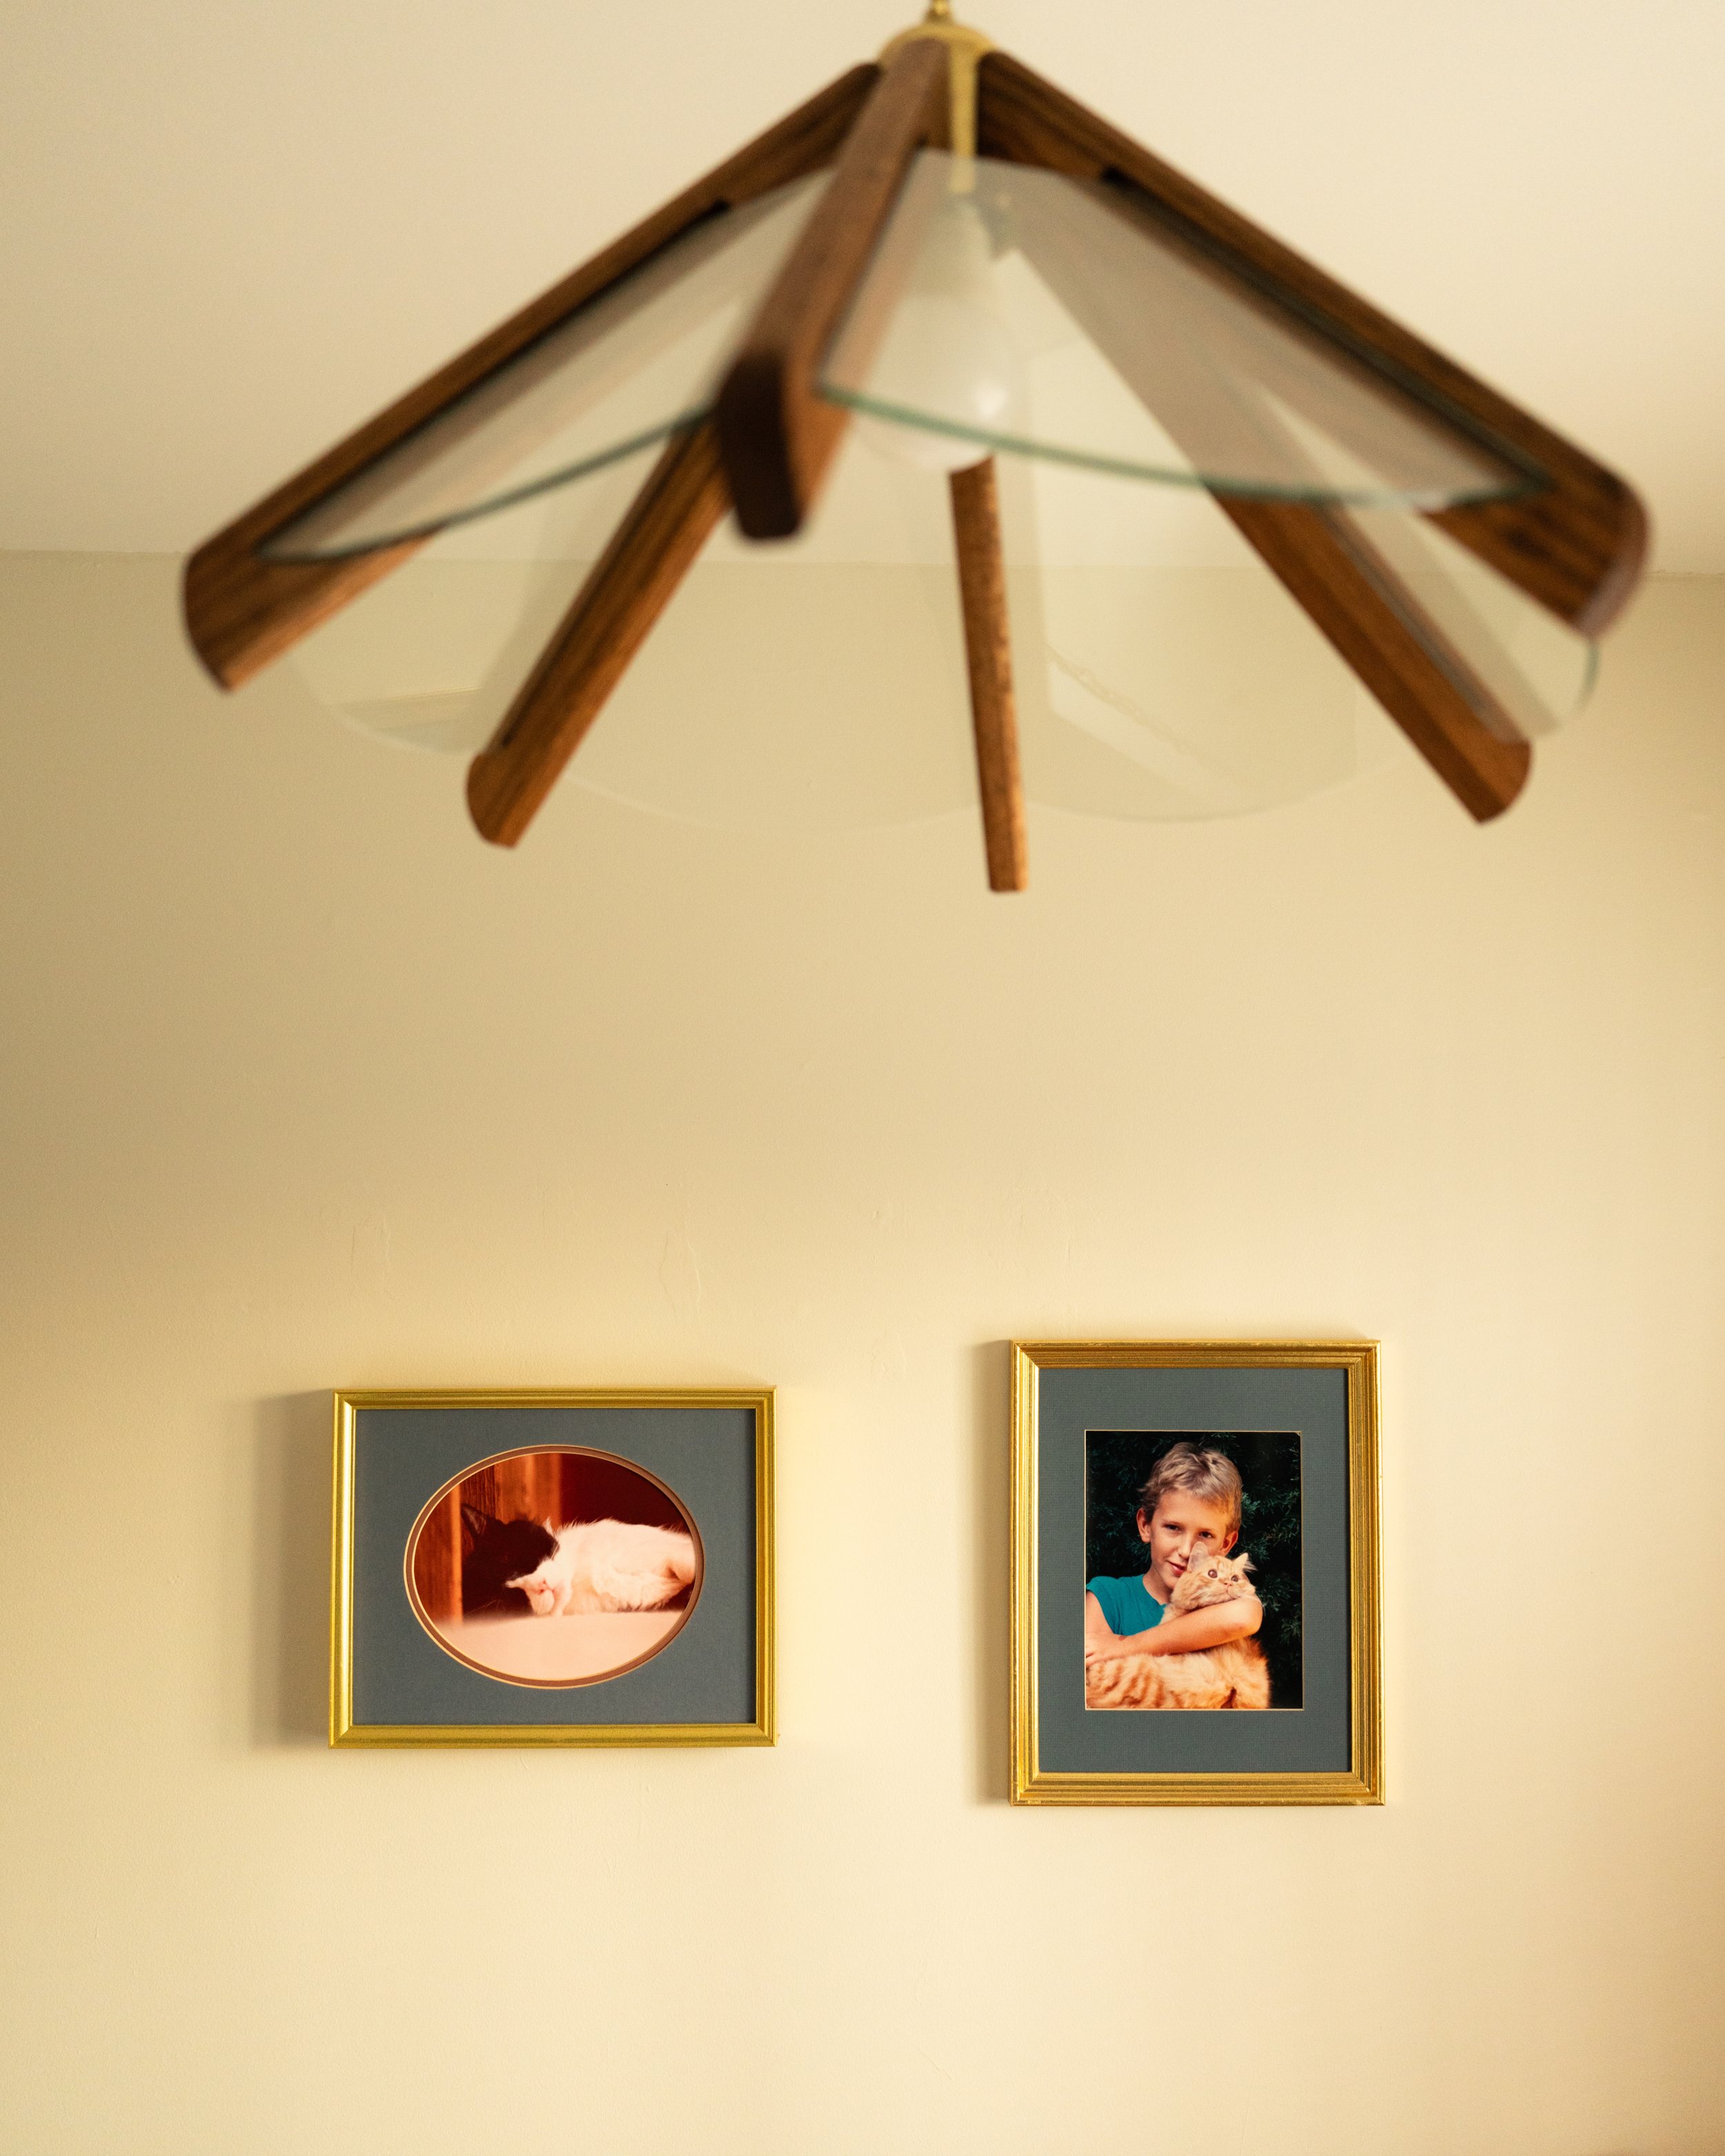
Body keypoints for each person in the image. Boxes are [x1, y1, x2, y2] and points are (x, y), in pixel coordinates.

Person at [1085, 1441, 1263, 1668]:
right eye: (1173, 1528)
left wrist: (1124, 1646)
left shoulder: (1226, 1596)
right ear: (1146, 1525)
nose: (1187, 1551)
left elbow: (1243, 1618)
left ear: (1226, 1544)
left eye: (1205, 1535)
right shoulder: (1108, 1597)